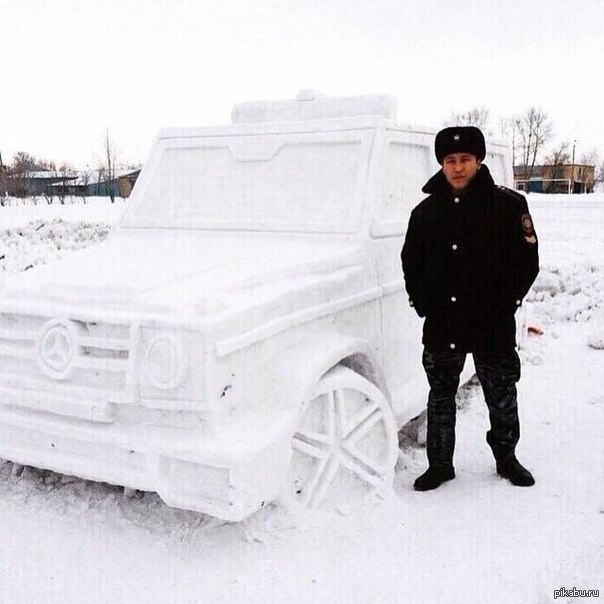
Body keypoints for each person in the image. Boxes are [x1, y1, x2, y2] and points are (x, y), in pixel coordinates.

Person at [401, 126, 539, 491]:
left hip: (492, 323)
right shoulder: (425, 213)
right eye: (450, 160)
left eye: (465, 159)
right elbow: (411, 262)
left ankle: (507, 459)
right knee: (441, 396)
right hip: (443, 323)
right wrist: (423, 304)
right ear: (442, 164)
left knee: (501, 394)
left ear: (478, 160)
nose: (458, 167)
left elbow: (527, 263)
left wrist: (505, 304)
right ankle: (439, 465)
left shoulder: (508, 206)